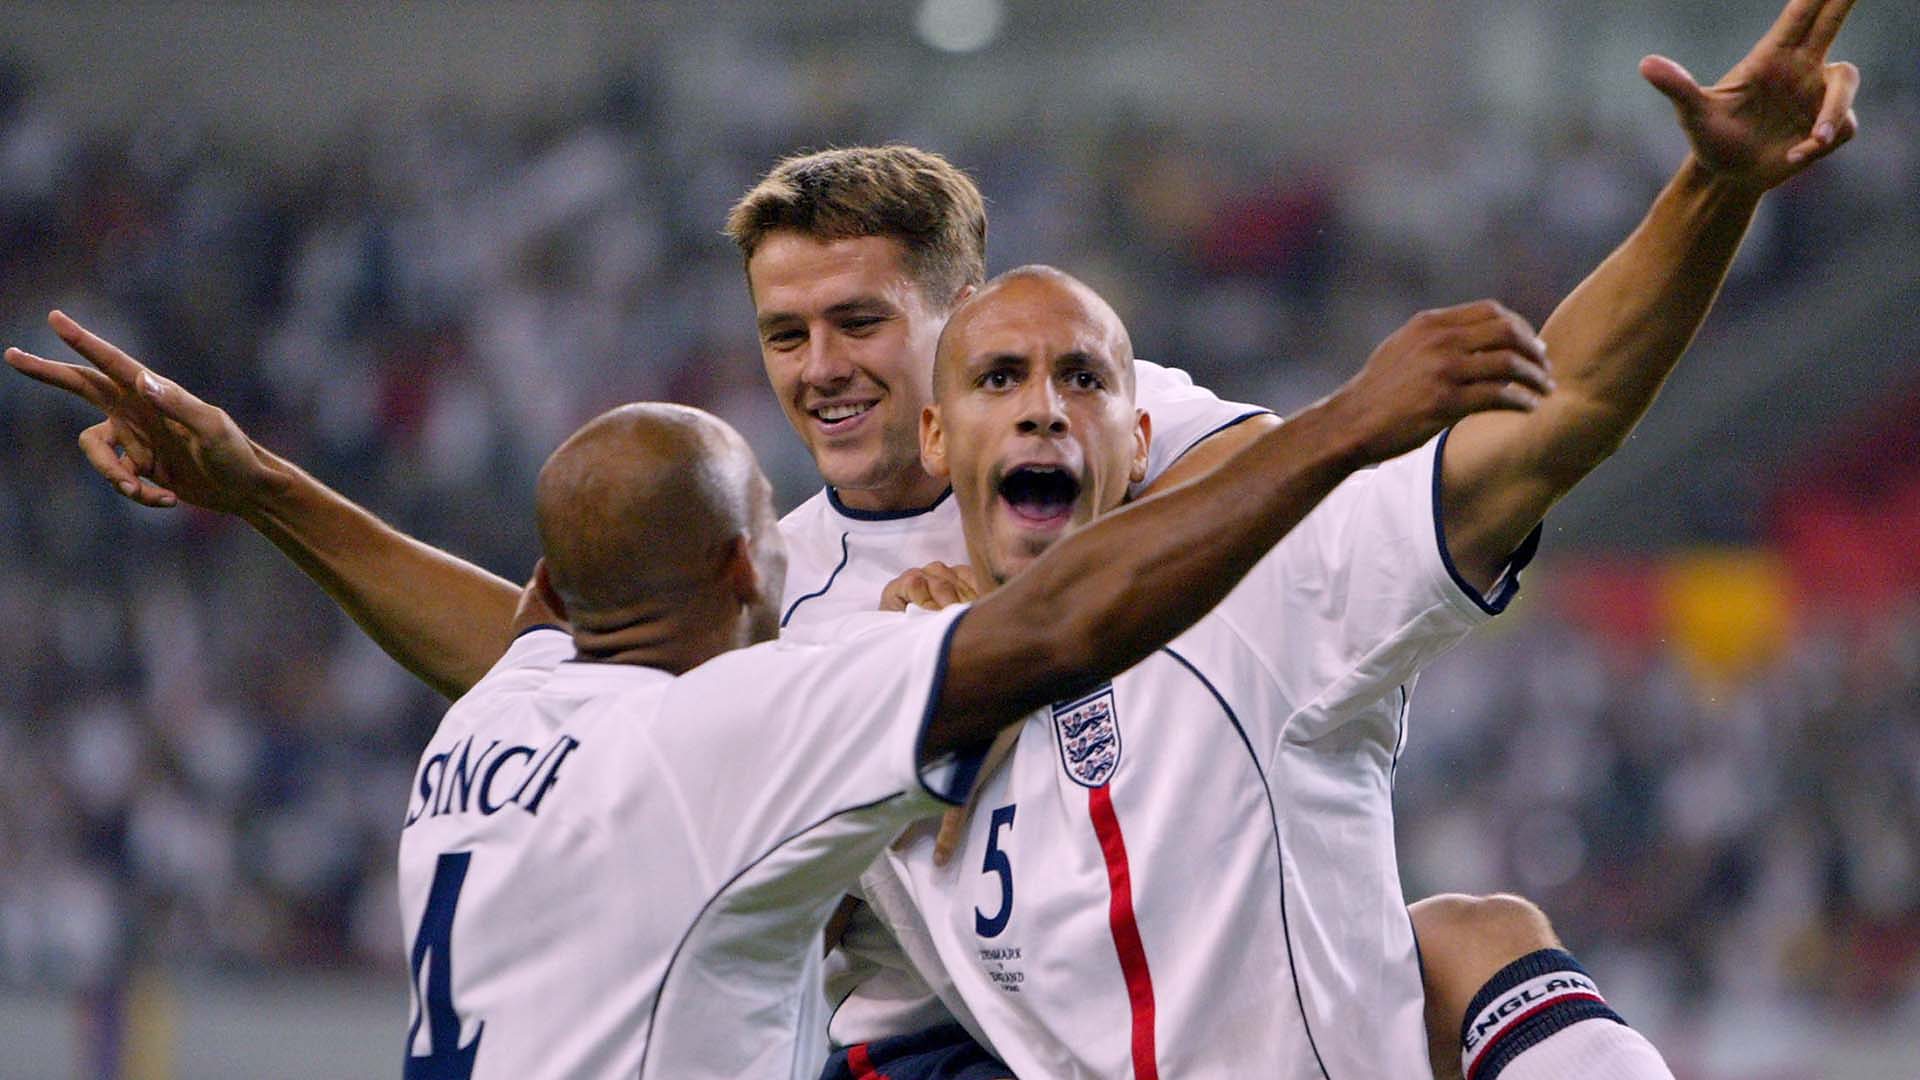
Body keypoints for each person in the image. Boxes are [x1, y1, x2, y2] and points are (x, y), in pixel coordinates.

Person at [8, 0, 1861, 1067]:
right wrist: (261, 489)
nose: (820, 372)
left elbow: (1548, 421)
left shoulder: (1232, 496)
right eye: (784, 337)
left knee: (1470, 940)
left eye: (861, 326)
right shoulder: (778, 611)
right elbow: (555, 659)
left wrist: (1708, 195)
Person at [9, 261, 1543, 1077]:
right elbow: (1062, 633)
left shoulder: (500, 720)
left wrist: (261, 488)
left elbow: (507, 632)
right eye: (777, 541)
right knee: (1466, 941)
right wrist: (1352, 423)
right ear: (746, 576)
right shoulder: (731, 738)